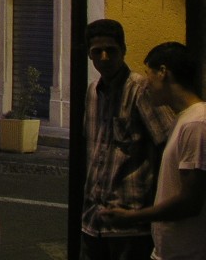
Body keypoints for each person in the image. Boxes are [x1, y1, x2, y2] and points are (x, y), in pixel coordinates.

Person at [102, 42, 206, 260]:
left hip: (187, 253)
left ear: (163, 72)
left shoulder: (197, 124)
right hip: (170, 250)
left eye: (149, 75)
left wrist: (132, 217)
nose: (146, 85)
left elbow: (190, 201)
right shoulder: (183, 119)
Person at [82, 19, 174, 260]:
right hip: (94, 221)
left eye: (110, 50)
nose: (104, 57)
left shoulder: (140, 90)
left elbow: (169, 145)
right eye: (96, 51)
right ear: (89, 55)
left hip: (130, 224)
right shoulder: (92, 92)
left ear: (123, 50)